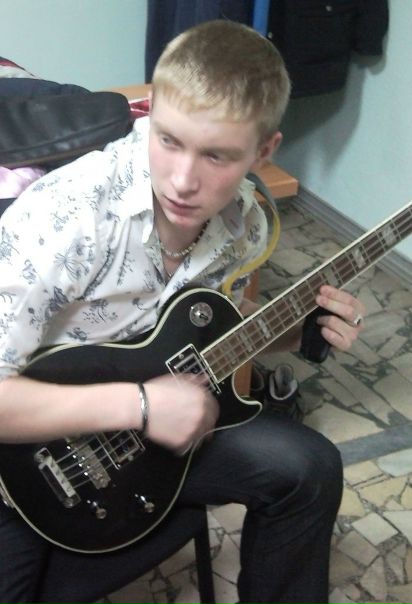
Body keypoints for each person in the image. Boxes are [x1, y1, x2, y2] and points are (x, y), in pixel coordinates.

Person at [0, 20, 365, 604]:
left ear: (264, 151)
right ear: (150, 112)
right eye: (168, 140)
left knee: (309, 469)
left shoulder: (243, 223)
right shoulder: (69, 216)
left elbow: (208, 322)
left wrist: (296, 331)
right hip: (23, 463)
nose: (183, 180)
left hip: (140, 450)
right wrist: (142, 406)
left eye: (217, 156)